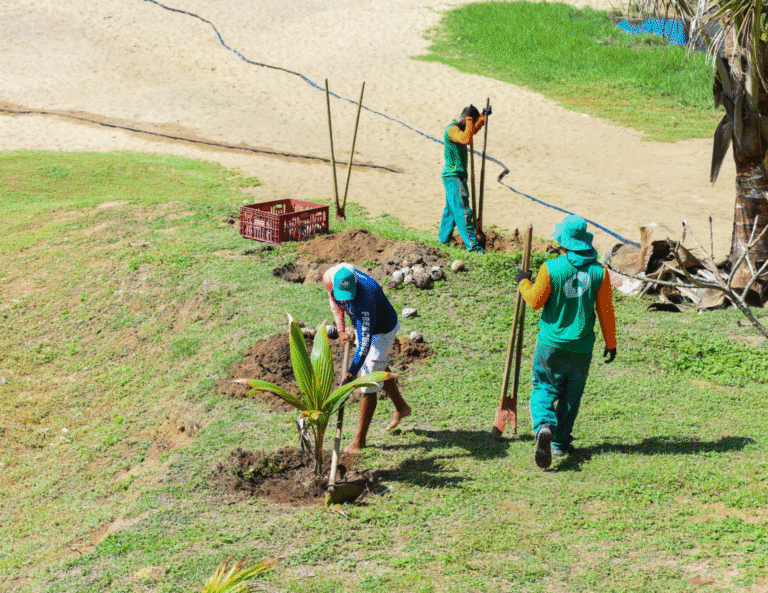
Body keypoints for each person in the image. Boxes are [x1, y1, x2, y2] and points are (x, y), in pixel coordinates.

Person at [516, 214, 617, 469]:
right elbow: (605, 311)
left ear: (563, 241)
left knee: (544, 386)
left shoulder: (551, 268)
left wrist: (523, 282)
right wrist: (611, 343)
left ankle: (544, 426)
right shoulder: (600, 272)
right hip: (581, 347)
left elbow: (535, 301)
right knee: (572, 395)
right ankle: (560, 444)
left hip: (550, 344)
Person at [322, 263, 411, 452]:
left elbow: (365, 344)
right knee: (376, 367)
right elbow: (335, 301)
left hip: (381, 331)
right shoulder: (335, 278)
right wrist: (341, 329)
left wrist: (350, 375)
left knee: (367, 381)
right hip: (363, 326)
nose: (344, 298)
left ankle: (359, 441)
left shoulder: (366, 298)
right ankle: (402, 407)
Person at [439, 103, 491, 253]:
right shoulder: (452, 129)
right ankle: (474, 247)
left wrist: (482, 118)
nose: (471, 126)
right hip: (454, 177)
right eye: (469, 122)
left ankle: (442, 240)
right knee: (463, 212)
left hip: (455, 176)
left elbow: (471, 131)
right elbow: (466, 139)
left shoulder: (460, 129)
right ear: (465, 119)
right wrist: (470, 119)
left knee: (451, 212)